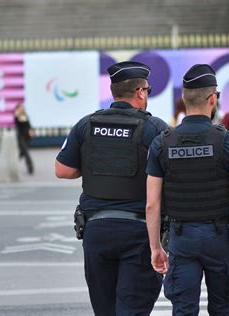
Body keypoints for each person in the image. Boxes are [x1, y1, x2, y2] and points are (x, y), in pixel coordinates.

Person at [146, 64, 229, 315]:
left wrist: (156, 247)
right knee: (223, 307)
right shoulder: (228, 142)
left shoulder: (162, 143)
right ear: (213, 98)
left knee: (184, 309)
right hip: (221, 239)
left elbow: (152, 204)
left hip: (181, 238)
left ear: (184, 99)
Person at [55, 61, 167, 315]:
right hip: (139, 233)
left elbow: (62, 169)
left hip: (96, 231)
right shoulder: (154, 129)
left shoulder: (87, 124)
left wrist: (97, 165)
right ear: (140, 92)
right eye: (147, 90)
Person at [14, 102, 34, 175]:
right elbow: (17, 123)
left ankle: (14, 162)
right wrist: (17, 114)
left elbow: (29, 125)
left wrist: (31, 131)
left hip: (27, 136)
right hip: (21, 136)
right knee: (26, 152)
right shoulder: (16, 116)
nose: (22, 109)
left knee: (22, 153)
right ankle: (30, 167)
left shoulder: (26, 116)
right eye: (20, 108)